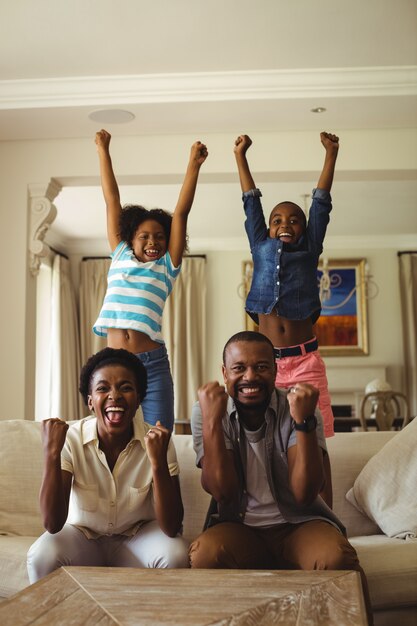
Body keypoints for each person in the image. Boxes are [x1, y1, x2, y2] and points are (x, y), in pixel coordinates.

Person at [189, 331, 373, 625]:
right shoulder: (207, 410)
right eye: (239, 368)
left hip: (298, 524)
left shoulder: (298, 405)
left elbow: (304, 493)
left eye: (261, 367)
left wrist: (303, 422)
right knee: (205, 554)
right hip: (240, 528)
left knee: (336, 558)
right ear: (225, 373)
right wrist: (212, 420)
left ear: (275, 370)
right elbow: (222, 491)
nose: (251, 376)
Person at [234, 132, 339, 505]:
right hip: (264, 368)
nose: (285, 223)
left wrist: (330, 154)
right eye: (278, 218)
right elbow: (251, 204)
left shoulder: (310, 248)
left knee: (319, 439)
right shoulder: (260, 245)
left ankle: (328, 517)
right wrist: (240, 156)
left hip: (306, 361)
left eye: (294, 219)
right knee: (253, 438)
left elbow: (321, 204)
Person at [27, 347, 189, 583]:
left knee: (176, 555)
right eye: (103, 388)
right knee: (42, 556)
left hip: (138, 536)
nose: (115, 396)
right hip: (82, 538)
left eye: (126, 387)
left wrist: (157, 462)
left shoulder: (157, 441)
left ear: (139, 399)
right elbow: (52, 524)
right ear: (91, 402)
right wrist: (51, 454)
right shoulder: (71, 439)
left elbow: (172, 526)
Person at [93, 129, 208, 430]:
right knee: (113, 437)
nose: (152, 241)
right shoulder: (119, 255)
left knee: (160, 435)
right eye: (144, 236)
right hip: (115, 365)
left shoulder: (166, 267)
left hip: (152, 364)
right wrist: (103, 150)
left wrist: (193, 166)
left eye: (159, 236)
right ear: (130, 239)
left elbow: (181, 213)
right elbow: (111, 200)